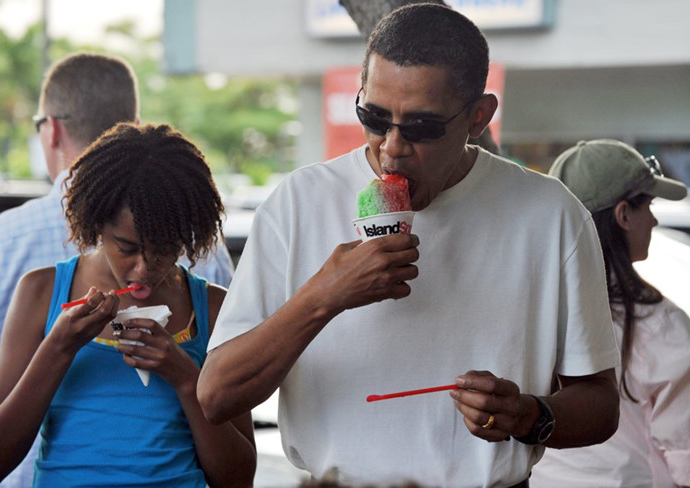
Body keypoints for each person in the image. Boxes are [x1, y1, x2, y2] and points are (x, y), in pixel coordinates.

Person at [197, 4, 620, 486]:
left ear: (479, 116)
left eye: (421, 128)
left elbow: (601, 405)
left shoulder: (550, 214)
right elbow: (216, 396)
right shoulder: (299, 202)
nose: (391, 147)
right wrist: (324, 296)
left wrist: (529, 415)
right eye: (373, 117)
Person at [0, 52, 234, 487]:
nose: (145, 269)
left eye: (167, 249)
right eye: (126, 247)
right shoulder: (40, 293)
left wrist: (185, 377)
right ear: (94, 224)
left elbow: (237, 478)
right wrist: (57, 347)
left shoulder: (212, 306)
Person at [530, 140, 690, 488]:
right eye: (647, 204)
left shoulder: (532, 308)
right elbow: (684, 453)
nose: (655, 218)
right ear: (623, 215)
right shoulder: (660, 324)